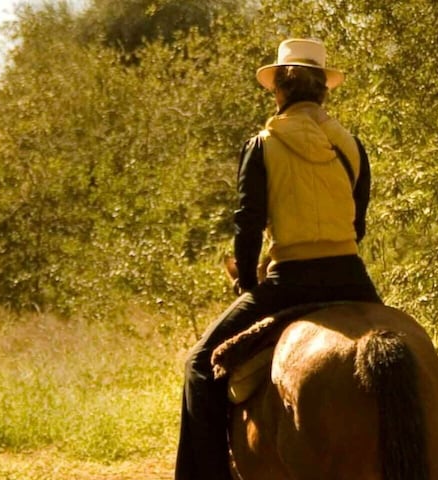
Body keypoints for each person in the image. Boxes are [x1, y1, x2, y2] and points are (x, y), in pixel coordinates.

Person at [174, 38, 379, 479]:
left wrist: (249, 283)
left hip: (291, 281)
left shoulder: (262, 145)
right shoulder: (352, 146)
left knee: (199, 365)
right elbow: (357, 224)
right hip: (351, 278)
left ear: (278, 90)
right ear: (323, 90)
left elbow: (247, 224)